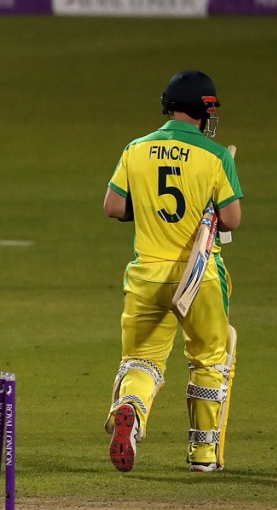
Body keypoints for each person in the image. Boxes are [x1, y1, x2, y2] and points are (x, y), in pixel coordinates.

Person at [103, 70, 242, 473]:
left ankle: (131, 408)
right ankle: (202, 456)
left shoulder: (136, 148)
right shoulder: (215, 156)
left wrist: (146, 211)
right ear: (204, 111)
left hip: (147, 274)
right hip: (199, 276)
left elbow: (113, 207)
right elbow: (231, 218)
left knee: (142, 360)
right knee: (210, 360)